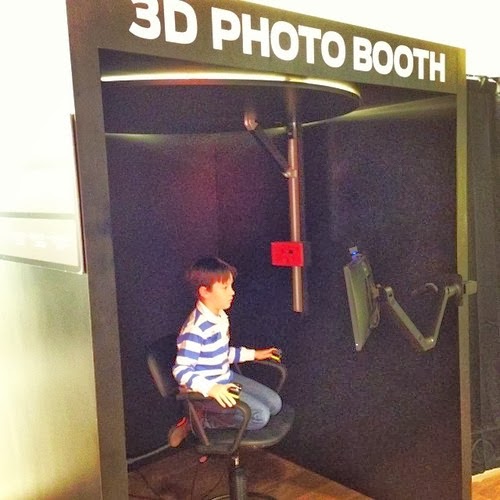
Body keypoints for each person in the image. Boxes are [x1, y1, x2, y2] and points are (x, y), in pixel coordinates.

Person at [168, 256, 282, 447]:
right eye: (225, 287)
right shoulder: (195, 329)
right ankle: (200, 421)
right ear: (205, 291)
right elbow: (181, 371)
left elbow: (221, 353)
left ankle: (204, 418)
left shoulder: (220, 317)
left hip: (225, 378)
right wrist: (212, 389)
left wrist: (254, 354)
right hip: (207, 392)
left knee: (275, 404)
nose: (232, 292)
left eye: (231, 286)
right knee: (260, 416)